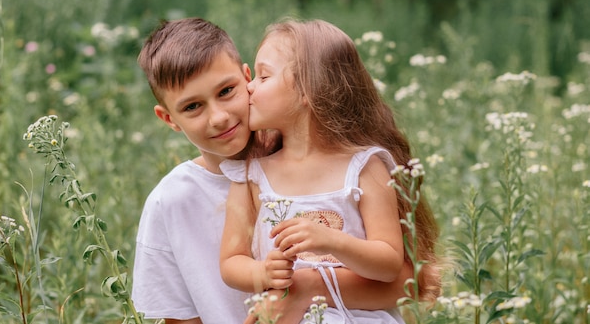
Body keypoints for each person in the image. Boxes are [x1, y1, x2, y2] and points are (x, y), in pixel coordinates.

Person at [132, 17, 415, 324]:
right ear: (168, 118)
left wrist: (307, 288)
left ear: (247, 79)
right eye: (192, 107)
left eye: (227, 91)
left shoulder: (350, 165)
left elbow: (407, 282)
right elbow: (181, 317)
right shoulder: (172, 201)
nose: (218, 117)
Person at [220, 18, 441, 323]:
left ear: (307, 91)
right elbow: (232, 261)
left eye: (263, 76)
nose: (249, 87)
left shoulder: (365, 167)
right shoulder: (251, 177)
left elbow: (390, 263)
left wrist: (331, 241)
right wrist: (262, 271)